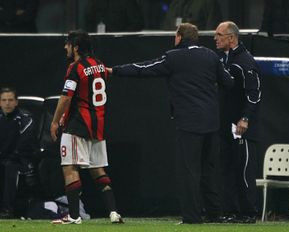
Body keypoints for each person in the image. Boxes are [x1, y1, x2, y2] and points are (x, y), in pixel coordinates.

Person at [107, 23, 234, 224]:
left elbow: (145, 68)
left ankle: (192, 218)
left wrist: (115, 71)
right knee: (209, 170)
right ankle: (214, 214)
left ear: (180, 37)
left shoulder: (174, 57)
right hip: (211, 122)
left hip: (189, 124)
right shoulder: (211, 56)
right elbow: (228, 81)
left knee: (189, 171)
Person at [50, 29, 123, 225]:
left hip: (78, 125)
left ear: (75, 47)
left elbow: (66, 97)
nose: (65, 47)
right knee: (98, 169)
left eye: (68, 44)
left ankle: (74, 216)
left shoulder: (76, 68)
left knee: (69, 167)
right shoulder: (99, 65)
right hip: (98, 125)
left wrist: (55, 121)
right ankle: (114, 213)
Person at [214, 21, 262, 223]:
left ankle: (249, 213)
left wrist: (245, 118)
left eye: (219, 34)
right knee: (227, 168)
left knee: (244, 169)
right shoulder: (223, 60)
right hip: (225, 126)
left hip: (242, 127)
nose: (215, 38)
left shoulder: (245, 61)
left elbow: (255, 93)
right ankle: (230, 211)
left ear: (231, 38)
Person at [0, 87, 38, 218]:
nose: (7, 103)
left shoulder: (25, 118)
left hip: (21, 159)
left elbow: (24, 145)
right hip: (3, 157)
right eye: (4, 100)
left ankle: (7, 210)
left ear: (16, 102)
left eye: (10, 100)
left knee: (10, 167)